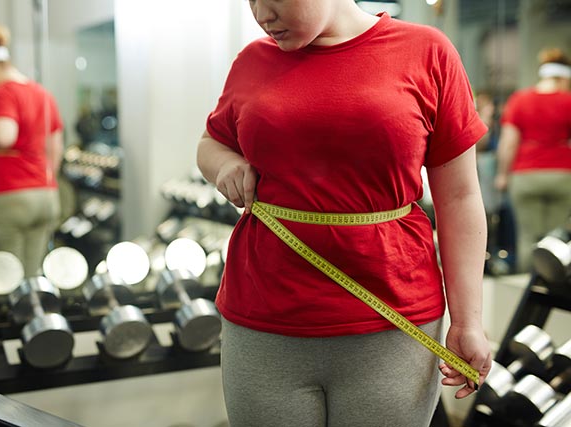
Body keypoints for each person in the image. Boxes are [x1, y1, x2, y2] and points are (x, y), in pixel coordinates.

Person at [196, 1, 492, 426]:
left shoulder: (427, 51)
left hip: (392, 324)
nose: (262, 13)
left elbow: (459, 198)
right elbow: (211, 141)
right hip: (264, 322)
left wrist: (468, 322)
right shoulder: (252, 60)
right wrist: (223, 164)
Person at [0, 25, 64, 277]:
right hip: (45, 197)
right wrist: (41, 181)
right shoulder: (42, 93)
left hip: (4, 196)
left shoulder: (3, 92)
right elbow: (55, 147)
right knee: (29, 280)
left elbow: (4, 135)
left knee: (1, 281)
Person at [494, 47, 571, 274]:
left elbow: (509, 143)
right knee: (555, 238)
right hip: (562, 175)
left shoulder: (520, 100)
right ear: (563, 78)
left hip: (525, 175)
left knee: (527, 236)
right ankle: (552, 289)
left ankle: (527, 287)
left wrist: (502, 175)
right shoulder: (568, 101)